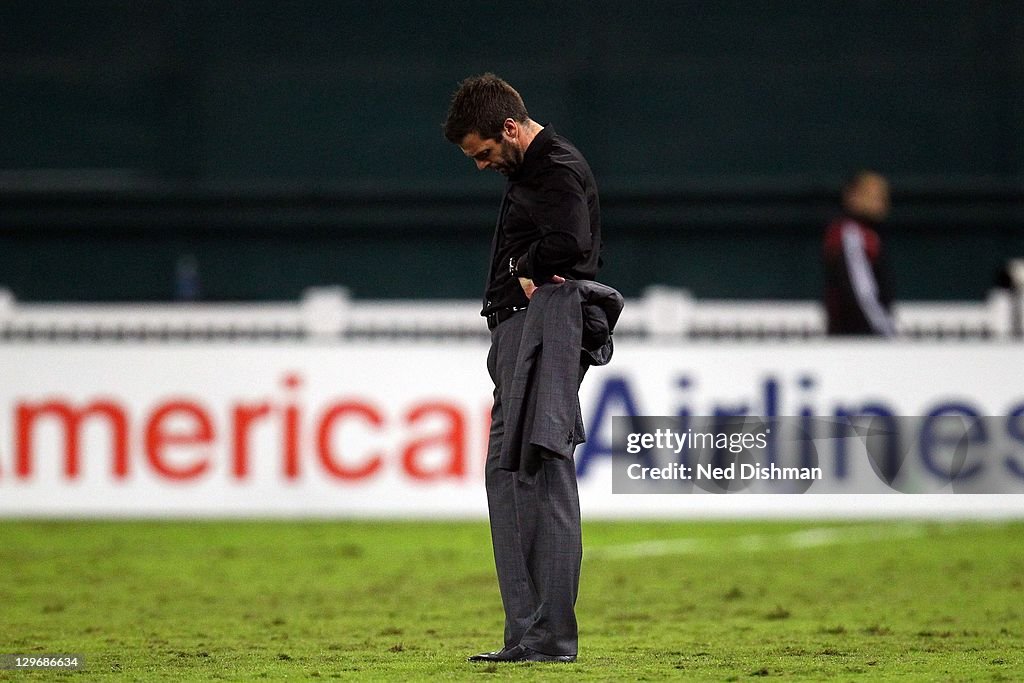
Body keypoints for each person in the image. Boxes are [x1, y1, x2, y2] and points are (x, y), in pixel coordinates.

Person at [443, 73, 604, 664]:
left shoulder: (553, 167)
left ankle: (551, 636)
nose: (481, 165)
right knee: (508, 476)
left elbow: (573, 242)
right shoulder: (535, 170)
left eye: (483, 153)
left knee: (540, 472)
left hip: (539, 329)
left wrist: (529, 266)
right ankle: (527, 635)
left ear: (510, 128)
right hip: (519, 331)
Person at [822, 170, 897, 336]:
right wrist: (885, 331)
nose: (881, 203)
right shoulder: (851, 234)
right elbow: (862, 293)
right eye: (874, 196)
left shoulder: (869, 236)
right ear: (852, 197)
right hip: (857, 340)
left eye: (883, 197)